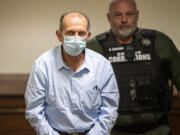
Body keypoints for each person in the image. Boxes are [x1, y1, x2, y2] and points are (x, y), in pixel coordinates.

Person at [87, 0, 180, 135]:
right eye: (118, 15)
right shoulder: (94, 47)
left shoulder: (160, 42)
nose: (124, 20)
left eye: (129, 14)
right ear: (109, 17)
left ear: (137, 15)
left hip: (158, 130)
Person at [25, 11, 119, 135]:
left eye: (81, 33)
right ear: (59, 35)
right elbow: (34, 111)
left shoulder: (102, 66)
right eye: (70, 33)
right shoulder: (42, 65)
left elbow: (109, 110)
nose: (76, 38)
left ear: (88, 36)